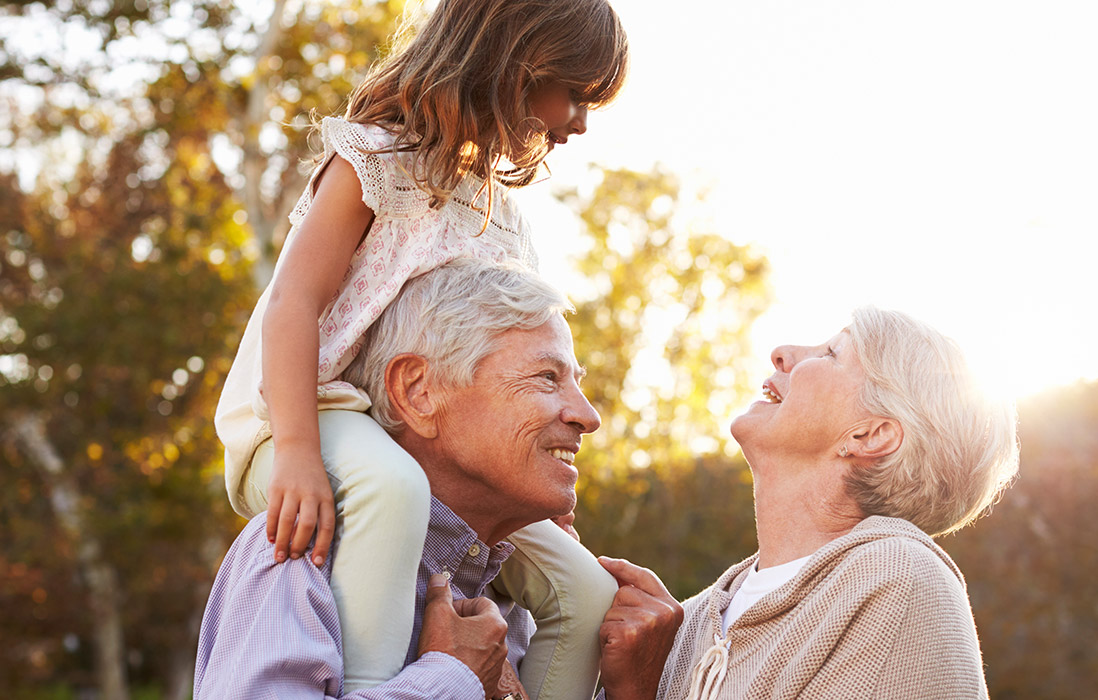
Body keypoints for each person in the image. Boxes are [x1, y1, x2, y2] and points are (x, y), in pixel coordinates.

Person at [212, 0, 627, 696]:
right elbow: (293, 302)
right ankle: (381, 686)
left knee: (581, 587)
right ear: (522, 63)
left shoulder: (500, 213)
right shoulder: (374, 160)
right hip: (311, 411)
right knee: (391, 489)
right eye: (577, 94)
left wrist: (534, 478)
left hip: (410, 432)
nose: (580, 122)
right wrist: (295, 449)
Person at [197, 258, 605, 699]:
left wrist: (629, 688)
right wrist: (452, 677)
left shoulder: (518, 603)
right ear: (418, 391)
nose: (588, 416)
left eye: (577, 384)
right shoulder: (295, 554)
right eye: (547, 377)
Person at [596, 307, 1020, 700]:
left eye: (832, 353)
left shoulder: (897, 579)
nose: (782, 355)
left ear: (870, 435)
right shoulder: (683, 623)